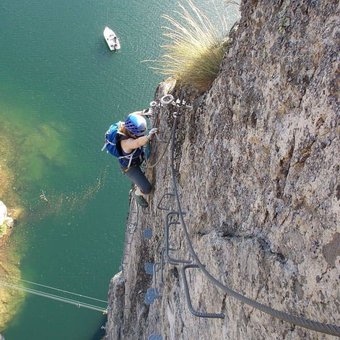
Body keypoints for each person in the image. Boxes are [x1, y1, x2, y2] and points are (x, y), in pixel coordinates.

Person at [115, 111, 158, 208]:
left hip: (137, 156)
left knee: (149, 153)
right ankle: (137, 193)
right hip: (130, 167)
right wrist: (148, 136)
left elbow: (133, 114)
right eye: (139, 134)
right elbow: (138, 143)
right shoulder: (126, 142)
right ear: (132, 133)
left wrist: (145, 112)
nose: (140, 135)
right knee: (147, 189)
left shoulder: (128, 122)